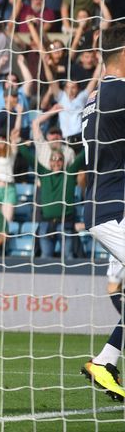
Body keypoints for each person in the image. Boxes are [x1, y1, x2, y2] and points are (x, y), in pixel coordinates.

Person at [80, 22, 125, 401]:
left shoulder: (95, 96)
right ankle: (104, 362)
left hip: (104, 203)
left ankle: (106, 362)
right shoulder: (121, 94)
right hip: (114, 205)